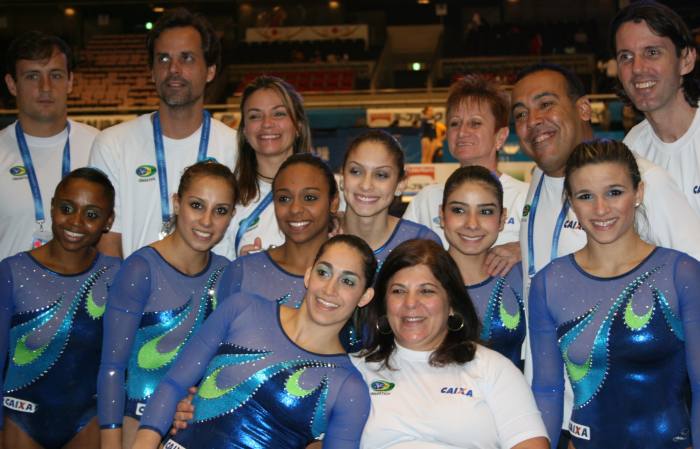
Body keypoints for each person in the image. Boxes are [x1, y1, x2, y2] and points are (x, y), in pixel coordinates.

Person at [512, 63, 700, 447]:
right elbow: (547, 389)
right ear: (571, 202)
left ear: (638, 193)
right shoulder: (550, 282)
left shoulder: (682, 273)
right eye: (585, 197)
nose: (601, 209)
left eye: (614, 193)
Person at [131, 234, 376, 449]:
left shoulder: (349, 389)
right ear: (309, 274)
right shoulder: (242, 309)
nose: (329, 289)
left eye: (348, 281)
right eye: (324, 272)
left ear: (365, 296)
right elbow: (174, 384)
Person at [354, 239, 548, 449]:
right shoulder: (357, 369)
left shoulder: (493, 368)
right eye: (398, 291)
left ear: (451, 304)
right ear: (384, 303)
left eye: (426, 291)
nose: (410, 303)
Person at [97, 161, 236, 449]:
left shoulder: (227, 274)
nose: (207, 221)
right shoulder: (140, 269)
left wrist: (192, 399)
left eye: (220, 211)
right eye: (197, 205)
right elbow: (112, 368)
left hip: (195, 428)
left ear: (231, 216)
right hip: (137, 428)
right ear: (177, 203)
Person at [89, 7, 237, 259]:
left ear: (210, 71)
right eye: (164, 59)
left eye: (187, 58)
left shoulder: (236, 147)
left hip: (214, 296)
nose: (174, 69)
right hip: (138, 295)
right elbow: (107, 242)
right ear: (152, 71)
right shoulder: (113, 144)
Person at [0, 168, 120, 449]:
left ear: (108, 221)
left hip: (88, 421)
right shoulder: (12, 272)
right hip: (20, 417)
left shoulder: (117, 274)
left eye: (91, 214)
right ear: (52, 206)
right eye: (67, 208)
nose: (76, 222)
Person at [403, 75, 528, 275]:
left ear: (501, 136)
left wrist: (528, 250)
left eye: (475, 123)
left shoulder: (526, 198)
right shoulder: (426, 199)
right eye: (454, 123)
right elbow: (401, 258)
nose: (462, 132)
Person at [0, 31, 99, 259]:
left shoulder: (100, 146)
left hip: (87, 292)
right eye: (32, 76)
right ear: (12, 84)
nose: (45, 87)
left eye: (55, 75)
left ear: (70, 81)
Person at [218, 153, 339, 310]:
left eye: (309, 198)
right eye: (284, 199)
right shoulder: (243, 272)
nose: (295, 209)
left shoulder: (351, 277)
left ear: (334, 203)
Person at [611, 1, 700, 213]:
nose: (637, 68)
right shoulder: (631, 150)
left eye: (652, 52)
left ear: (686, 60)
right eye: (626, 57)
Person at [441, 166, 525, 370]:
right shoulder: (420, 280)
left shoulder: (522, 276)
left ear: (502, 218)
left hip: (511, 400)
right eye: (459, 210)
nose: (472, 224)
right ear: (442, 216)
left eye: (485, 211)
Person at [227, 75, 311, 257]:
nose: (267, 124)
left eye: (279, 113)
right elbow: (215, 273)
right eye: (255, 116)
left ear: (298, 126)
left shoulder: (331, 193)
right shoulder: (229, 198)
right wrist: (240, 269)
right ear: (244, 131)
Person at [341, 129, 441, 267]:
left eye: (381, 175)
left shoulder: (422, 242)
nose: (366, 185)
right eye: (356, 171)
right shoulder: (319, 235)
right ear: (342, 177)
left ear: (401, 184)